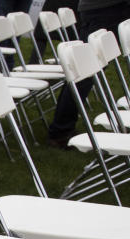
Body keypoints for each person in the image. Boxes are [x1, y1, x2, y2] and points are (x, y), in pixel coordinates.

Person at [48, 0, 130, 147]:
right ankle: (60, 130)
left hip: (110, 8)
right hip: (104, 9)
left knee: (85, 71)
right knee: (84, 72)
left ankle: (61, 129)